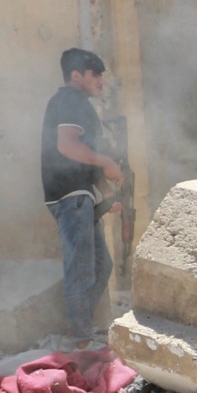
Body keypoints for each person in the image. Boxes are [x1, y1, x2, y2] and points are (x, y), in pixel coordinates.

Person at [41, 48, 123, 345]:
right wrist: (106, 162)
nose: (101, 80)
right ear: (76, 76)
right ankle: (81, 339)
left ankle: (82, 330)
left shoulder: (77, 104)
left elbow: (80, 157)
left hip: (81, 195)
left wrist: (104, 189)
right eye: (95, 74)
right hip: (70, 195)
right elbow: (66, 146)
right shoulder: (70, 100)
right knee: (82, 269)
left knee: (101, 267)